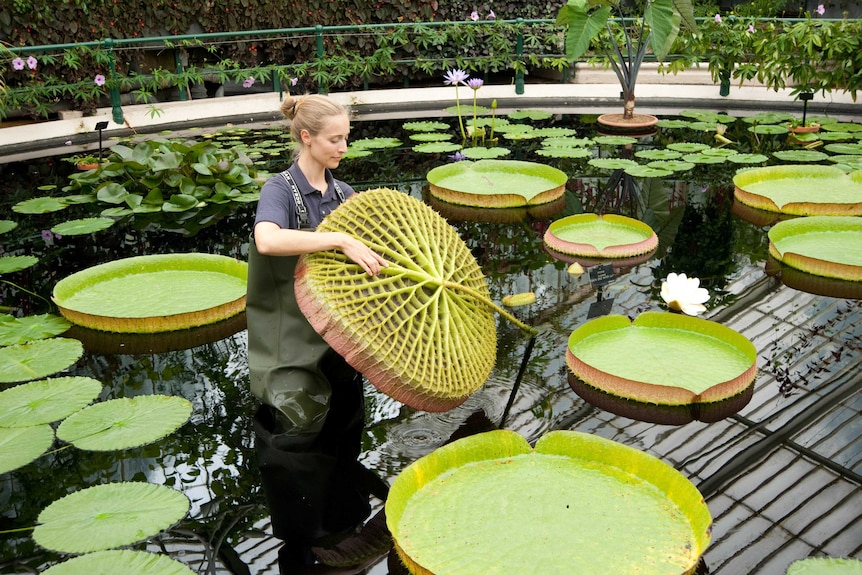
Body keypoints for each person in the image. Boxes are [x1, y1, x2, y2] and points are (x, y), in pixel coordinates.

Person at [246, 94, 391, 574]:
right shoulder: (281, 190)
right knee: (294, 442)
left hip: (339, 340)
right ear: (306, 137)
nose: (343, 147)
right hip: (290, 338)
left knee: (343, 435)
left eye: (347, 138)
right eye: (335, 139)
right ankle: (305, 544)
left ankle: (344, 534)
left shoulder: (344, 194)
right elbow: (268, 239)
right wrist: (340, 238)